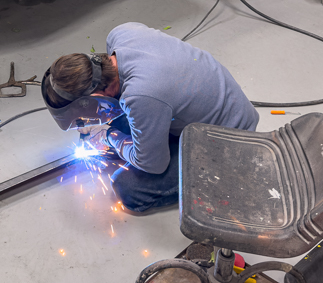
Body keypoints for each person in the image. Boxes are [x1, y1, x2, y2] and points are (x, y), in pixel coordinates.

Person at [41, 22, 258, 212]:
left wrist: (109, 136)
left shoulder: (141, 96)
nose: (88, 120)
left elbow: (153, 165)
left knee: (128, 187)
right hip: (212, 107)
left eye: (85, 116)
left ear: (96, 97)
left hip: (228, 142)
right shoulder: (121, 33)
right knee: (119, 119)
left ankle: (217, 175)